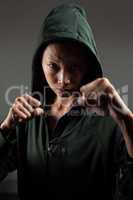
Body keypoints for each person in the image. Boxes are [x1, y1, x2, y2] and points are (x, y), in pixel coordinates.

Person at [0, 3, 133, 200]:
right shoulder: (26, 119)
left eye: (74, 66)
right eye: (53, 66)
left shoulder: (110, 121)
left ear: (88, 66)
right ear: (40, 63)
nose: (64, 79)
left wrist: (126, 120)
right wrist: (5, 128)